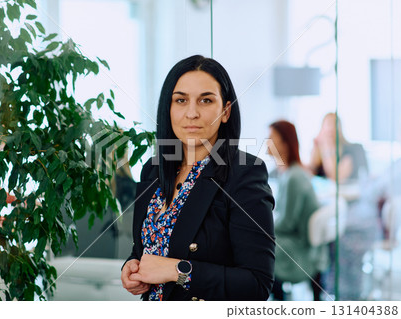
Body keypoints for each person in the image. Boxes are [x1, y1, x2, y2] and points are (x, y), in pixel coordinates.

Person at [120, 55, 275, 301]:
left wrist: (176, 271)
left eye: (205, 100)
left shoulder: (245, 173)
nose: (191, 113)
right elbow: (157, 240)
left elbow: (257, 285)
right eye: (180, 100)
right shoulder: (153, 168)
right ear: (167, 109)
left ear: (225, 111)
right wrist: (133, 264)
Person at [268, 120, 326, 301]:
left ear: (284, 143)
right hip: (303, 244)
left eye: (271, 138)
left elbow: (287, 222)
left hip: (299, 249)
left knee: (257, 248)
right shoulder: (291, 173)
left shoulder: (293, 177)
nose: (267, 142)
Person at [308, 113, 368, 183]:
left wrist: (327, 150)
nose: (331, 128)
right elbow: (309, 173)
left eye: (334, 125)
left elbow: (335, 178)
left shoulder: (351, 150)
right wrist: (316, 147)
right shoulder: (319, 150)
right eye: (327, 125)